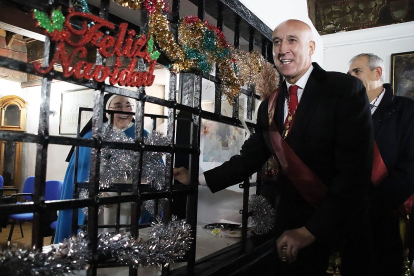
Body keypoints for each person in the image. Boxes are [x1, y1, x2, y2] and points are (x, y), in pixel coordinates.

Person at [174, 19, 374, 276]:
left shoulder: (344, 89)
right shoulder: (268, 104)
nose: (282, 49)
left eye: (292, 40)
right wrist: (196, 179)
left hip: (339, 223)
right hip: (290, 228)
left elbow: (355, 172)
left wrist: (311, 230)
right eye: (277, 42)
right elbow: (248, 160)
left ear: (311, 47)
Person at [348, 53, 414, 276]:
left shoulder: (407, 110)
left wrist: (373, 204)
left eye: (357, 71)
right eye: (349, 74)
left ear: (377, 73)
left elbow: (410, 165)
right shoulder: (347, 114)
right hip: (351, 216)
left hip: (389, 214)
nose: (351, 77)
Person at [55, 94, 152, 243]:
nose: (124, 111)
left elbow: (154, 170)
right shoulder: (92, 136)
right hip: (101, 205)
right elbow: (82, 174)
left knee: (128, 241)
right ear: (107, 111)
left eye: (128, 105)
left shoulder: (144, 135)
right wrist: (97, 191)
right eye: (118, 107)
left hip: (131, 202)